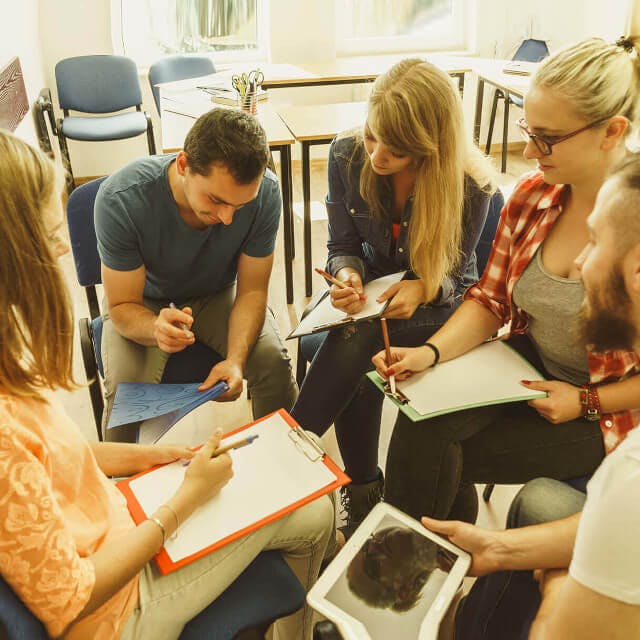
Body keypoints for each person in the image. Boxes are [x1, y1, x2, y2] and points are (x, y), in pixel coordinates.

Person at [0, 130, 335, 640]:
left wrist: (157, 458)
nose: (67, 246)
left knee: (269, 369)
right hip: (118, 604)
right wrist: (180, 505)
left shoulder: (10, 374)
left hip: (118, 529)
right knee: (315, 511)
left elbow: (54, 455)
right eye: (51, 235)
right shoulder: (124, 199)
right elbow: (69, 601)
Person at [373, 36, 640, 524]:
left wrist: (587, 400)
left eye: (548, 137)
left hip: (612, 408)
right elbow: (491, 299)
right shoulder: (535, 194)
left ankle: (411, 570)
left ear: (612, 131)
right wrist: (430, 353)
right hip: (530, 367)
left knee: (435, 459)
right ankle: (422, 567)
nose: (530, 149)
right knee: (420, 421)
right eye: (528, 129)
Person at [425, 152, 640, 640]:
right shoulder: (531, 196)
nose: (579, 263)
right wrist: (498, 549)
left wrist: (560, 585)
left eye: (597, 243)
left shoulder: (628, 473)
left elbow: (559, 631)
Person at [290, 58, 495, 535]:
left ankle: (295, 454)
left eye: (397, 149)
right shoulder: (345, 155)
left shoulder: (470, 182)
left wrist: (423, 286)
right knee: (359, 346)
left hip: (442, 308)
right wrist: (347, 276)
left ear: (430, 148)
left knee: (356, 338)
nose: (378, 155)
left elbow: (460, 278)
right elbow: (341, 247)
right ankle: (359, 490)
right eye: (372, 135)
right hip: (374, 297)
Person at [95, 108, 297, 442]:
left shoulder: (266, 194)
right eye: (216, 200)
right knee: (124, 400)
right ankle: (120, 490)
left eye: (240, 205)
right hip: (143, 301)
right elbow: (121, 304)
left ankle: (281, 464)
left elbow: (252, 292)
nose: (228, 218)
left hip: (217, 292)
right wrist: (153, 327)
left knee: (273, 363)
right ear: (184, 164)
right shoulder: (122, 199)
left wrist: (235, 360)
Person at [347, 526, 456, 612]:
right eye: (371, 565)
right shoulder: (453, 554)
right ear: (404, 589)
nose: (372, 544)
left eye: (364, 545)